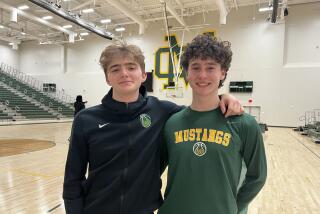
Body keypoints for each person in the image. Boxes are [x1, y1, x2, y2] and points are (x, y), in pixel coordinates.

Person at [62, 43, 243, 214]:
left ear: (143, 75)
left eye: (131, 67)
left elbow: (198, 111)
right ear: (107, 78)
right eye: (115, 69)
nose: (124, 73)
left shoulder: (162, 110)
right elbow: (73, 179)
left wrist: (222, 96)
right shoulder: (85, 119)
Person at [158, 35, 267, 214]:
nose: (202, 75)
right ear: (187, 72)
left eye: (210, 68)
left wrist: (233, 207)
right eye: (196, 67)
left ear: (223, 72)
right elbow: (152, 171)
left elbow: (258, 177)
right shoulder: (172, 123)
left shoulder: (244, 124)